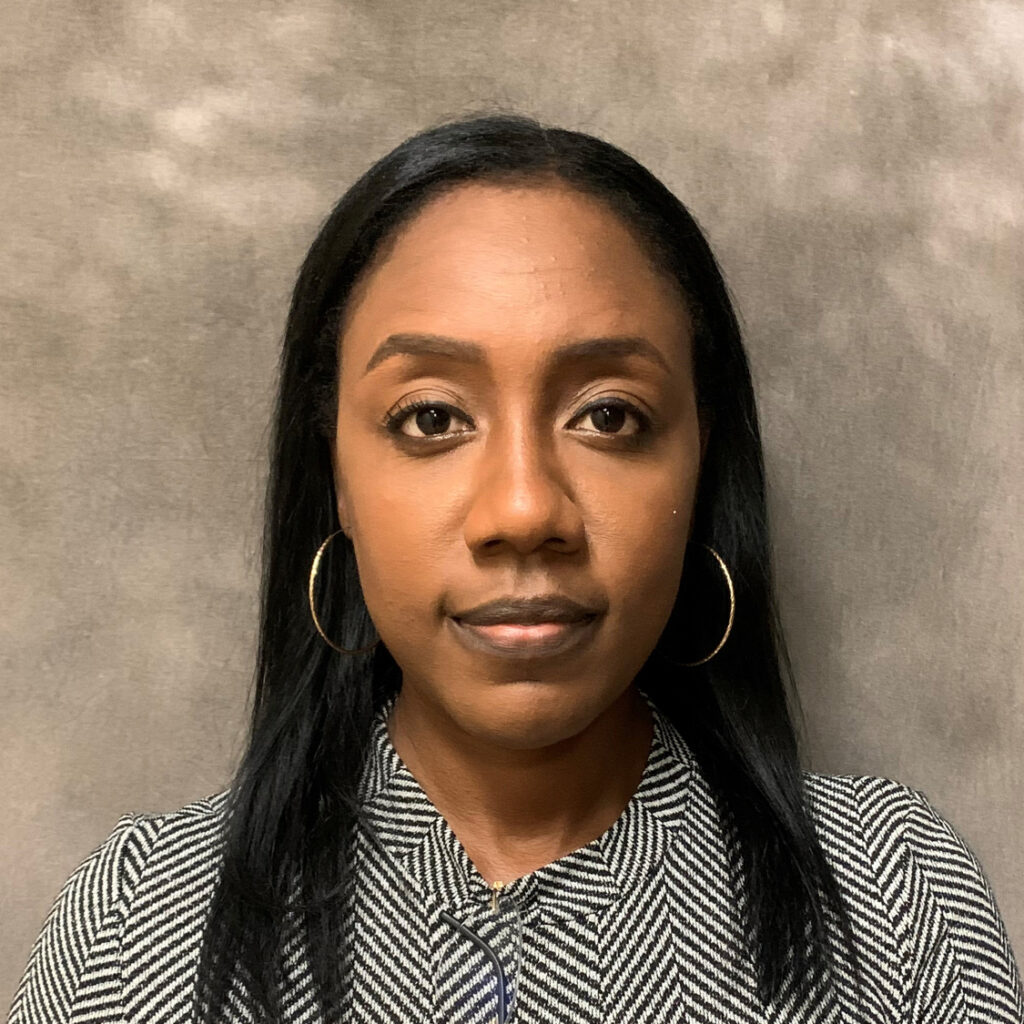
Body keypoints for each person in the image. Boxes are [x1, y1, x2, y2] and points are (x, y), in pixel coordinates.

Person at [7, 112, 1022, 1024]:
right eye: (430, 418)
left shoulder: (895, 900)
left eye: (608, 415)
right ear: (338, 478)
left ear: (701, 461)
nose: (525, 511)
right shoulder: (139, 924)